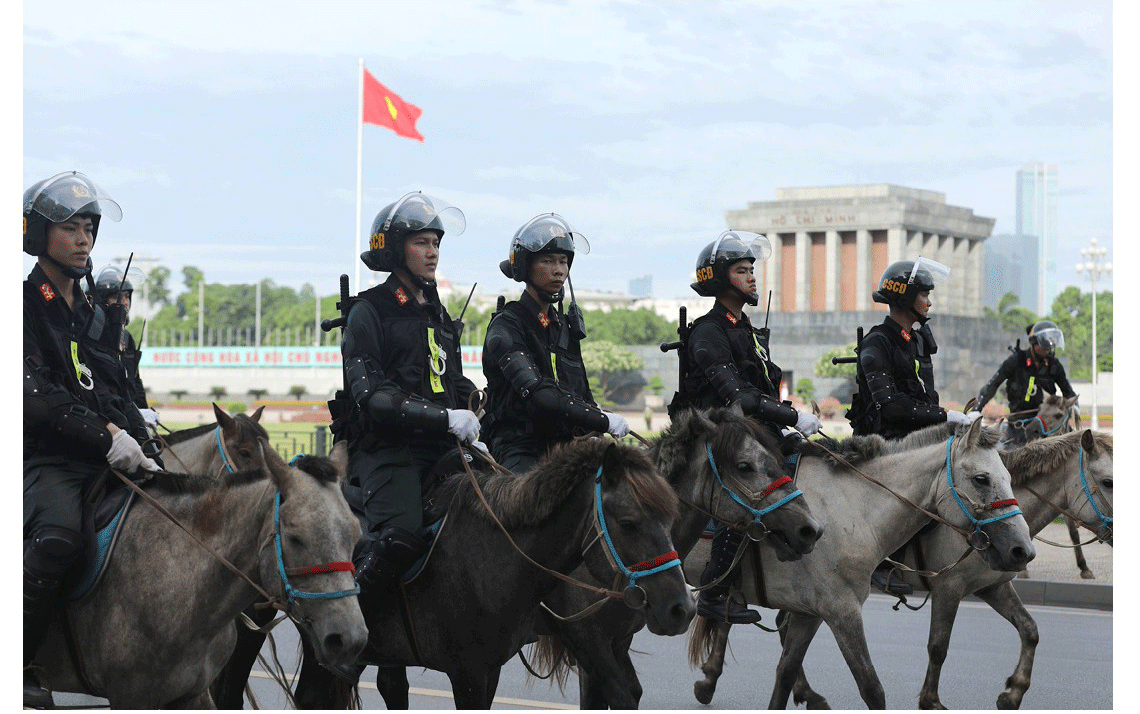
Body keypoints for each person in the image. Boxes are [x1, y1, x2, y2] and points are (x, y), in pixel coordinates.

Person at [23, 171, 159, 707]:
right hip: (46, 458)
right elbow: (37, 394)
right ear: (37, 234)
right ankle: (20, 663)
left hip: (104, 454)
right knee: (59, 536)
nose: (83, 239)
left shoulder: (98, 316)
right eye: (70, 228)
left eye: (88, 228)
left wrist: (144, 442)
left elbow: (115, 390)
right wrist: (106, 437)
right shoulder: (22, 305)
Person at [332, 191, 481, 625]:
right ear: (396, 248)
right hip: (387, 449)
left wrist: (474, 405)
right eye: (421, 242)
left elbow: (449, 381)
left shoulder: (437, 312)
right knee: (399, 538)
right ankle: (352, 627)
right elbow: (371, 395)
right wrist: (444, 418)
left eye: (436, 243)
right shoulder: (369, 311)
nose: (432, 252)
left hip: (440, 449)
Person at [669, 230, 821, 624]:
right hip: (713, 433)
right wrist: (792, 418)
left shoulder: (746, 329)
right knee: (746, 486)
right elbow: (737, 396)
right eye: (742, 270)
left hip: (748, 429)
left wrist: (786, 421)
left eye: (752, 269)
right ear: (721, 279)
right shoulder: (709, 331)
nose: (752, 277)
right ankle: (717, 590)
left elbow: (763, 389)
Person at [849, 257, 980, 595]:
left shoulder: (915, 341)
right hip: (884, 444)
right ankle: (881, 563)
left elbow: (926, 398)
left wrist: (952, 421)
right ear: (905, 297)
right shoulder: (877, 343)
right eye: (924, 294)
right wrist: (944, 417)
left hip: (917, 440)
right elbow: (890, 407)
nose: (929, 301)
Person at [481, 213, 629, 472]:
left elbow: (581, 393)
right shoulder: (507, 325)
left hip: (567, 445)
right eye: (548, 261)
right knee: (525, 506)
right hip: (520, 446)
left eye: (563, 261)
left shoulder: (564, 326)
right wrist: (602, 420)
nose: (559, 270)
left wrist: (597, 425)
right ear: (526, 266)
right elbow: (541, 397)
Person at [89, 264, 159, 430]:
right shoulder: (92, 335)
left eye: (127, 297)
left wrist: (143, 412)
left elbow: (135, 382)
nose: (124, 303)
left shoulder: (127, 338)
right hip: (107, 423)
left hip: (132, 418)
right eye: (117, 297)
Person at [975, 320, 1076, 418]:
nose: (1048, 352)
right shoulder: (1016, 361)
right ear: (1034, 344)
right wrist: (976, 410)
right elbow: (993, 384)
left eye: (1050, 349)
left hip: (1046, 422)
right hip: (1019, 422)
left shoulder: (1054, 365)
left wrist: (1075, 407)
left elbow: (1067, 390)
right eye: (1044, 349)